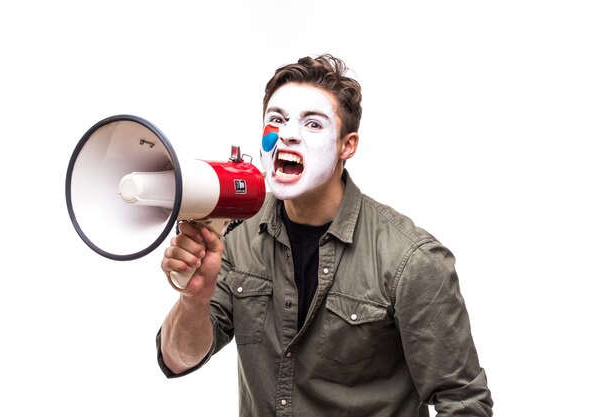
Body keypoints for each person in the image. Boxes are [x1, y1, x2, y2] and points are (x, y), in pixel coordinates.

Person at [157, 54, 494, 416]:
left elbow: (463, 402)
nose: (287, 133)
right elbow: (177, 359)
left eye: (313, 124)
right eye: (276, 120)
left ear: (347, 146)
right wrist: (195, 295)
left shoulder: (410, 260)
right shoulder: (237, 233)